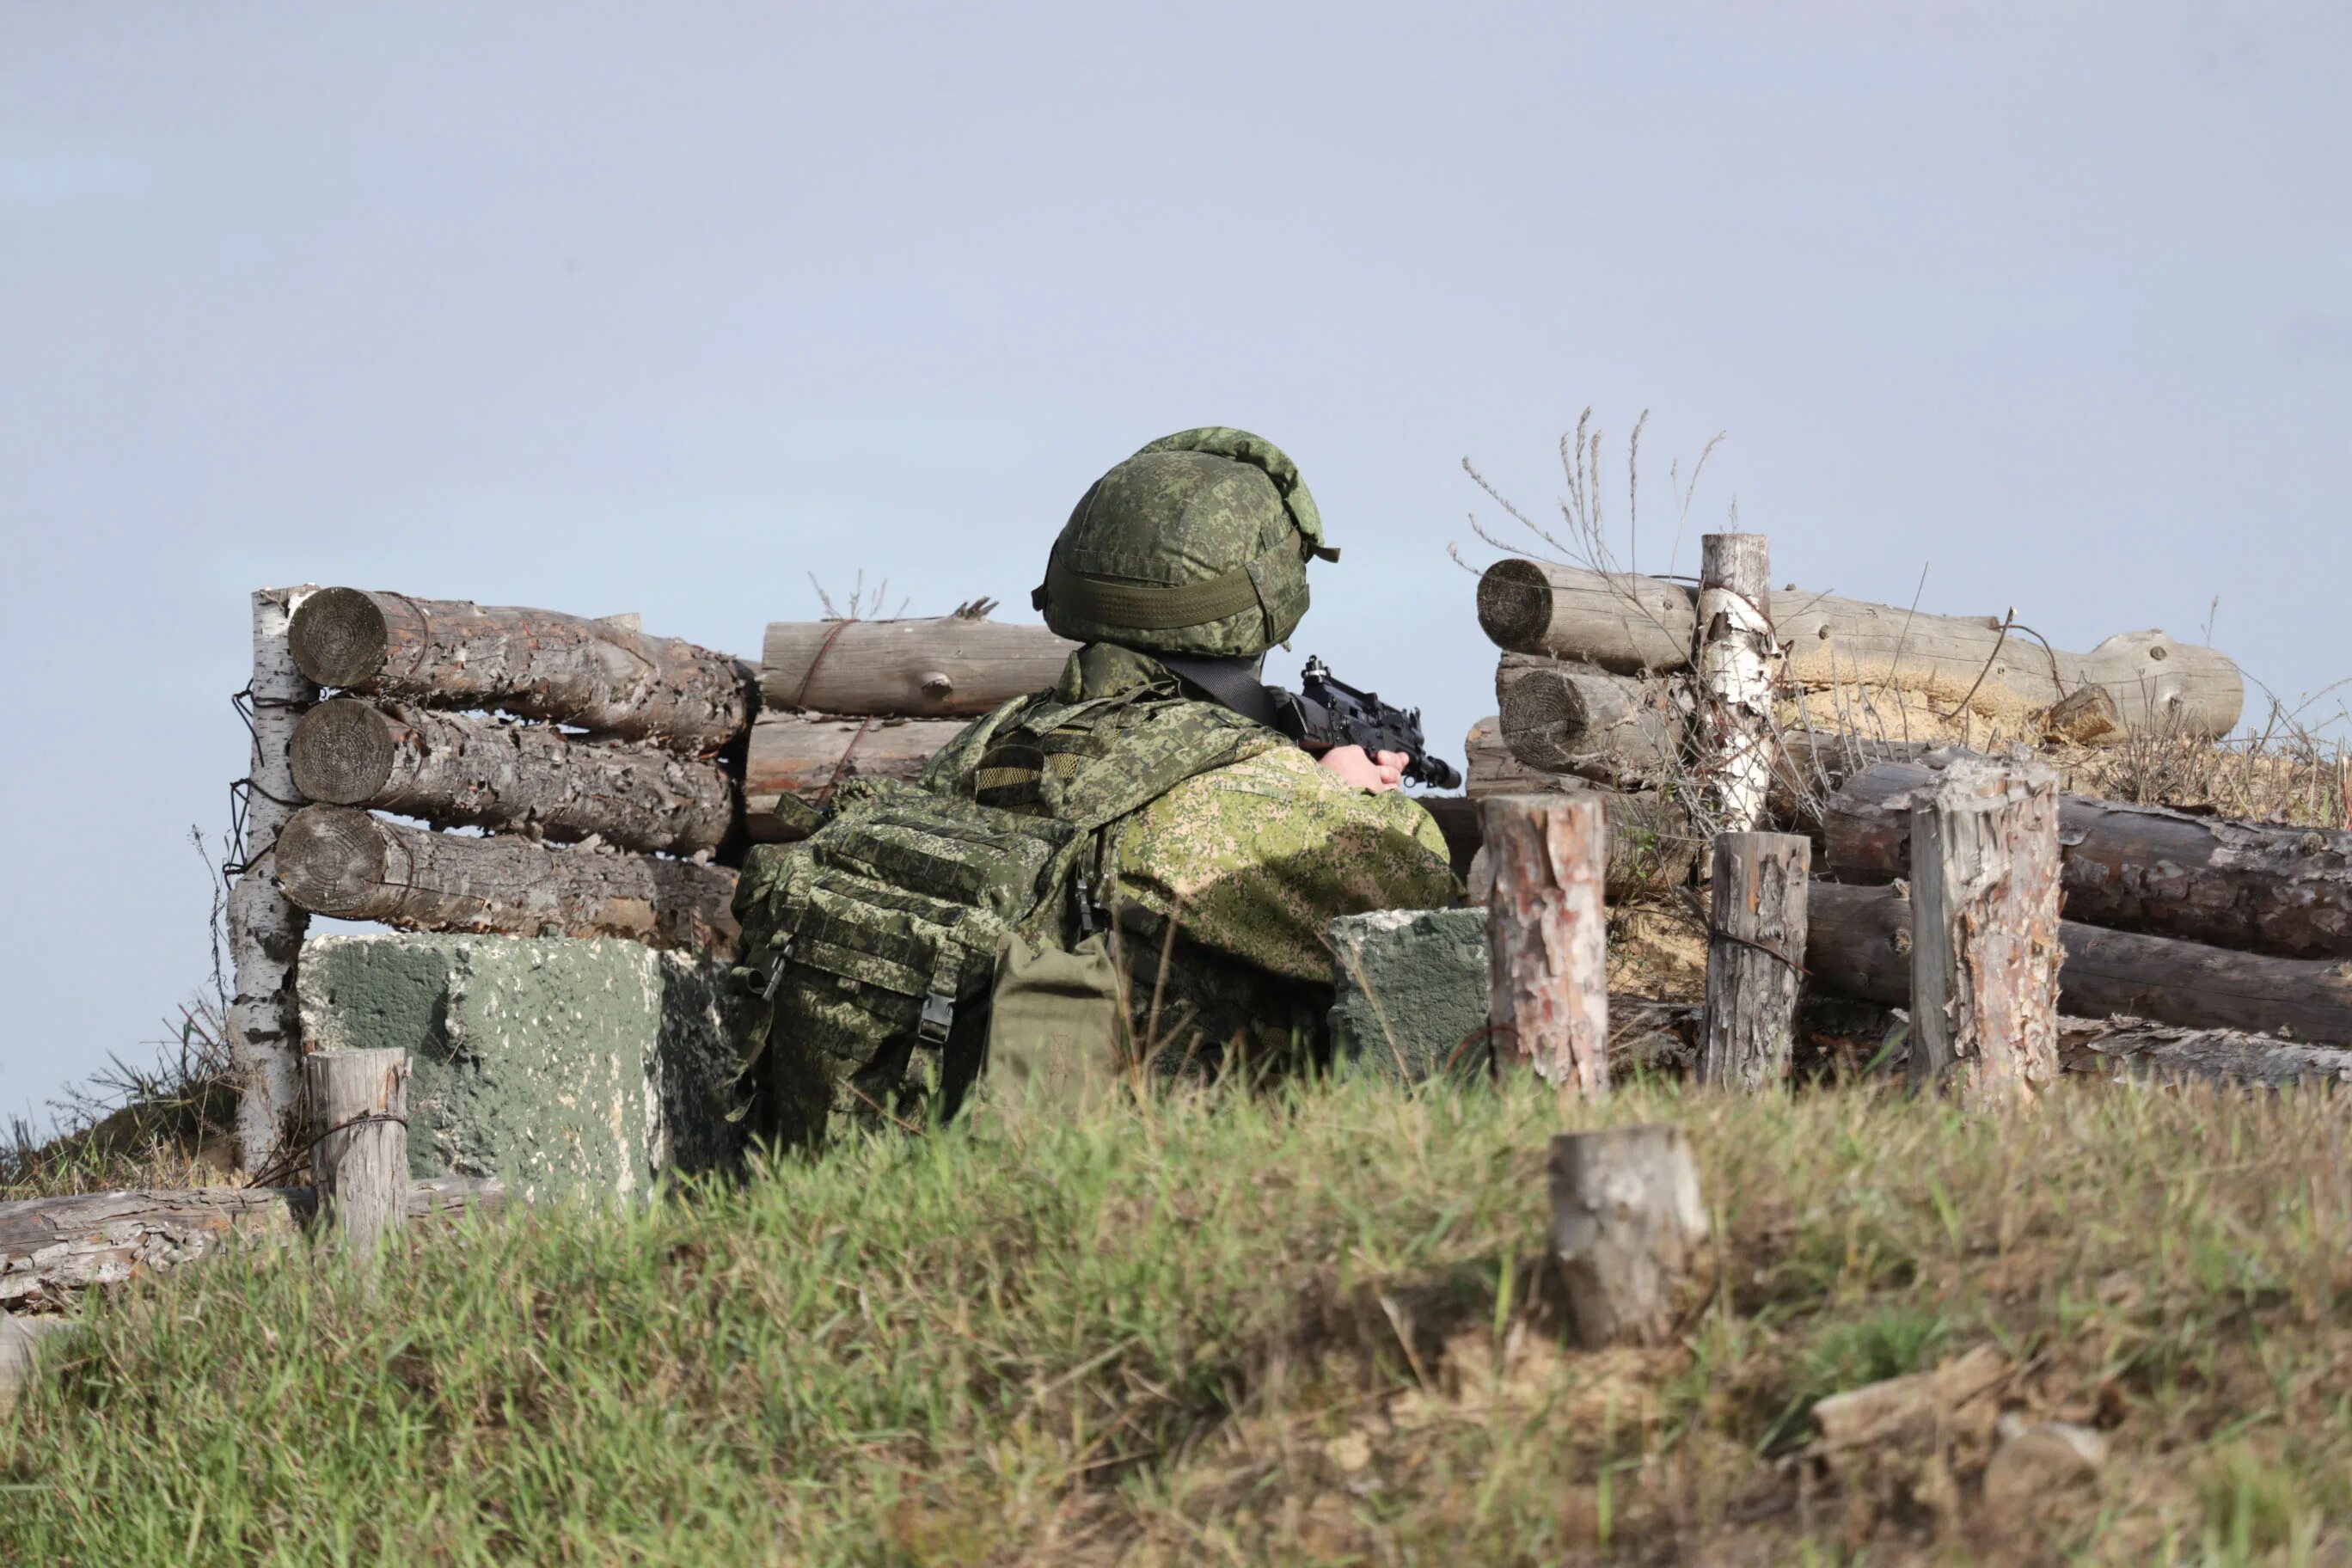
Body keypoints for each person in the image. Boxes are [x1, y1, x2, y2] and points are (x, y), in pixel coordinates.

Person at [919, 426, 1461, 1075]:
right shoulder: (1237, 794)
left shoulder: (991, 738)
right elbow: (1435, 920)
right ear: (1268, 594)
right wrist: (1349, 799)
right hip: (1149, 1163)